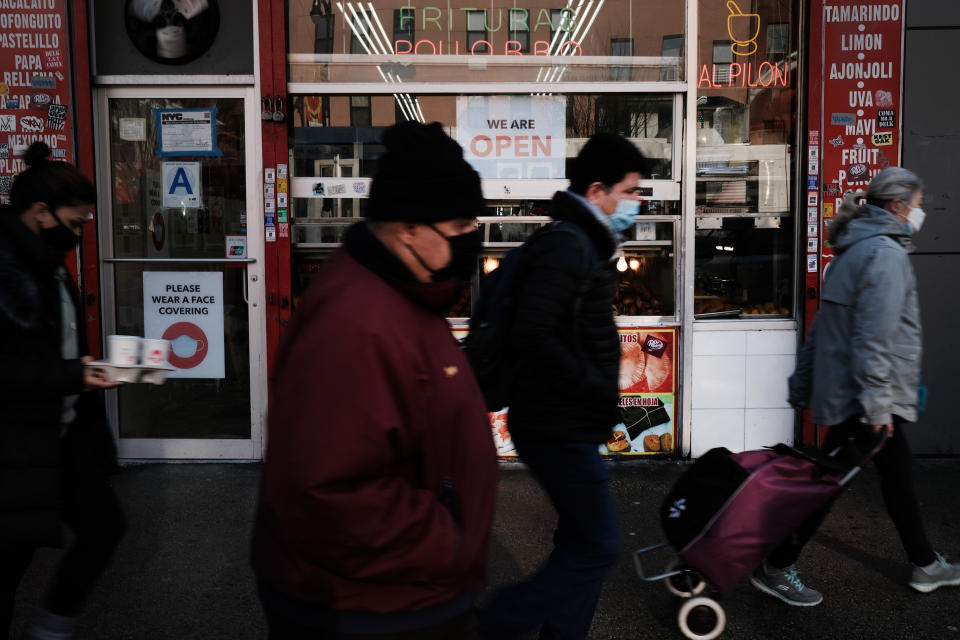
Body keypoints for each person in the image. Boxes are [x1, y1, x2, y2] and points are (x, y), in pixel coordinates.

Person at [251, 121, 498, 639]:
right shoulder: (357, 320)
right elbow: (326, 488)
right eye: (460, 226)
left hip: (400, 592)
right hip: (370, 606)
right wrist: (447, 538)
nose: (473, 238)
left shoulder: (408, 290)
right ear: (407, 227)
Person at [751, 167, 960, 607]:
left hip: (854, 393)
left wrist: (803, 381)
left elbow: (824, 328)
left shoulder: (851, 249)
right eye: (918, 205)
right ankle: (777, 564)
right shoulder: (885, 255)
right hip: (863, 401)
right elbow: (873, 339)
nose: (920, 213)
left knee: (895, 477)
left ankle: (924, 563)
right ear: (898, 206)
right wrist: (880, 408)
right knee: (828, 484)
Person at [477, 133, 650, 640]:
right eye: (632, 191)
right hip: (556, 423)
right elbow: (535, 332)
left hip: (566, 420)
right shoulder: (568, 243)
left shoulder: (582, 241)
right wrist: (591, 386)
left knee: (581, 546)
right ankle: (494, 624)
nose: (637, 203)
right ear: (598, 190)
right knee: (598, 546)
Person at [0, 142, 125, 640]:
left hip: (61, 433)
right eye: (74, 225)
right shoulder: (11, 272)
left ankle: (50, 629)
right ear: (39, 213)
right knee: (8, 562)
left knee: (104, 527)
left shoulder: (45, 263)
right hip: (16, 443)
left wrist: (82, 371)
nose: (77, 236)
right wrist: (73, 375)